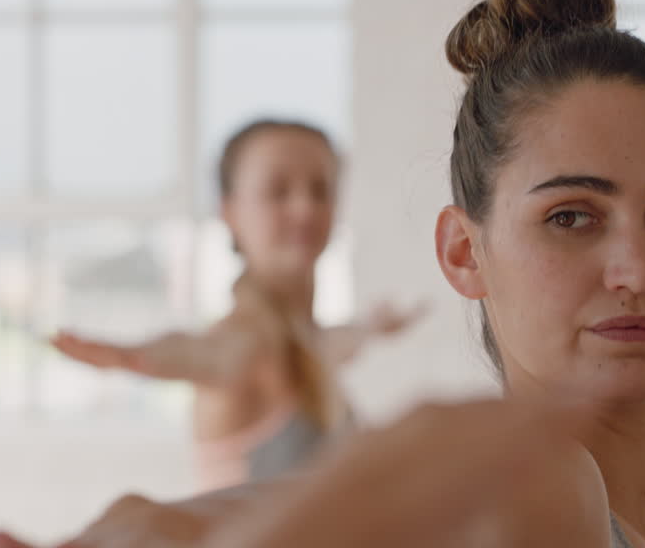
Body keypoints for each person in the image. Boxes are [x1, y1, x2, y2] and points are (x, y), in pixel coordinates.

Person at [0, 0, 645, 548]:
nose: (638, 270)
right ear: (464, 252)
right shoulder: (549, 487)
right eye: (571, 217)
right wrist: (142, 529)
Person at [51, 119, 425, 489]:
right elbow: (202, 353)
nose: (304, 208)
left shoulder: (305, 341)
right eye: (278, 191)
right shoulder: (245, 343)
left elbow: (335, 341)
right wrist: (132, 356)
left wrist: (373, 326)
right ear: (229, 212)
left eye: (320, 189)